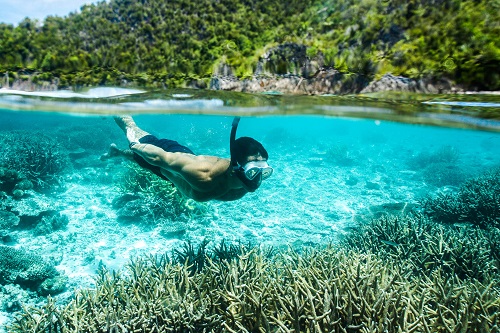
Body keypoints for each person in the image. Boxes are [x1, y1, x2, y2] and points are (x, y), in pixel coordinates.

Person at [101, 116, 273, 202]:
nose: (257, 178)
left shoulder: (241, 182)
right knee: (131, 128)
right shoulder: (202, 174)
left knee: (144, 165)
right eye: (252, 171)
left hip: (178, 178)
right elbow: (160, 157)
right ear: (235, 167)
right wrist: (134, 143)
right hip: (171, 154)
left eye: (264, 171)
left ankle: (117, 153)